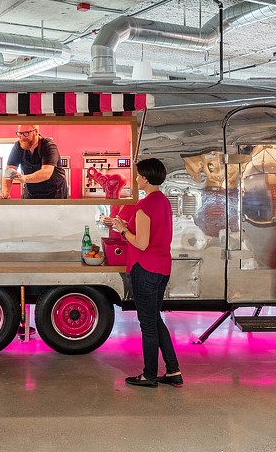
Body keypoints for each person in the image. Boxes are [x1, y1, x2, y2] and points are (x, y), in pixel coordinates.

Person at [112, 158, 181, 388]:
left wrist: (123, 231)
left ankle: (149, 375)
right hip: (162, 268)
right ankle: (173, 371)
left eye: (139, 175)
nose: (136, 178)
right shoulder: (163, 201)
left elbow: (141, 243)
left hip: (145, 269)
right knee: (154, 319)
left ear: (146, 178)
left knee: (148, 324)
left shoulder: (144, 205)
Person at [0, 124, 69, 199]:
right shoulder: (18, 146)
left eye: (26, 133)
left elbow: (46, 173)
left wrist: (24, 178)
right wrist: (5, 194)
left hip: (55, 192)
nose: (22, 137)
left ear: (36, 132)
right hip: (31, 192)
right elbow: (9, 170)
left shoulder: (48, 146)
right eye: (20, 133)